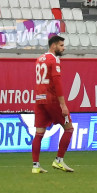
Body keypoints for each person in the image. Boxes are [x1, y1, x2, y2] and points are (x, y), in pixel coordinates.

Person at [31, 35, 74, 173]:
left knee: (39, 133)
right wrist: (63, 104)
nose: (63, 48)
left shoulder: (39, 59)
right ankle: (59, 160)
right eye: (61, 45)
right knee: (69, 128)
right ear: (53, 45)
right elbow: (57, 82)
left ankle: (35, 166)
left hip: (39, 98)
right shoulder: (54, 60)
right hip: (51, 99)